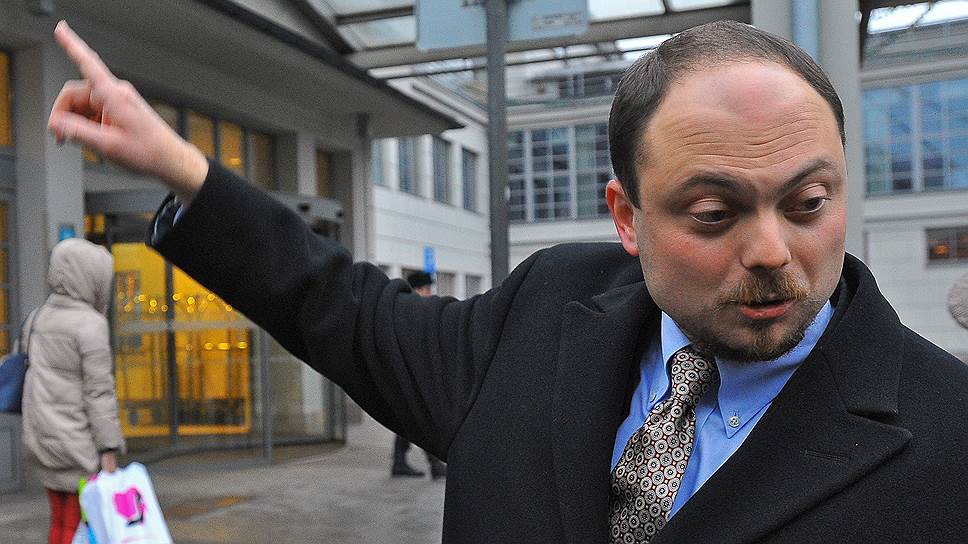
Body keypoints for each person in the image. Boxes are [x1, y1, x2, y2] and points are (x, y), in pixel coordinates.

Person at [47, 18, 968, 544]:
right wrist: (183, 169)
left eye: (807, 202)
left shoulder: (949, 436)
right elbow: (345, 309)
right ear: (626, 217)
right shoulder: (546, 310)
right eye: (713, 214)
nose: (771, 250)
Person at [21, 238, 124, 544]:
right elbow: (99, 393)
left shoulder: (37, 318)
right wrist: (108, 449)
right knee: (79, 526)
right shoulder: (91, 325)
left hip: (43, 439)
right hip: (79, 445)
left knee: (59, 522)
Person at [391, 271, 447, 479]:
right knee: (422, 420)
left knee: (408, 421)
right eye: (427, 288)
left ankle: (400, 463)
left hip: (406, 376)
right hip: (412, 376)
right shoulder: (412, 309)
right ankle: (434, 465)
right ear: (419, 289)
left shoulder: (403, 307)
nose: (430, 292)